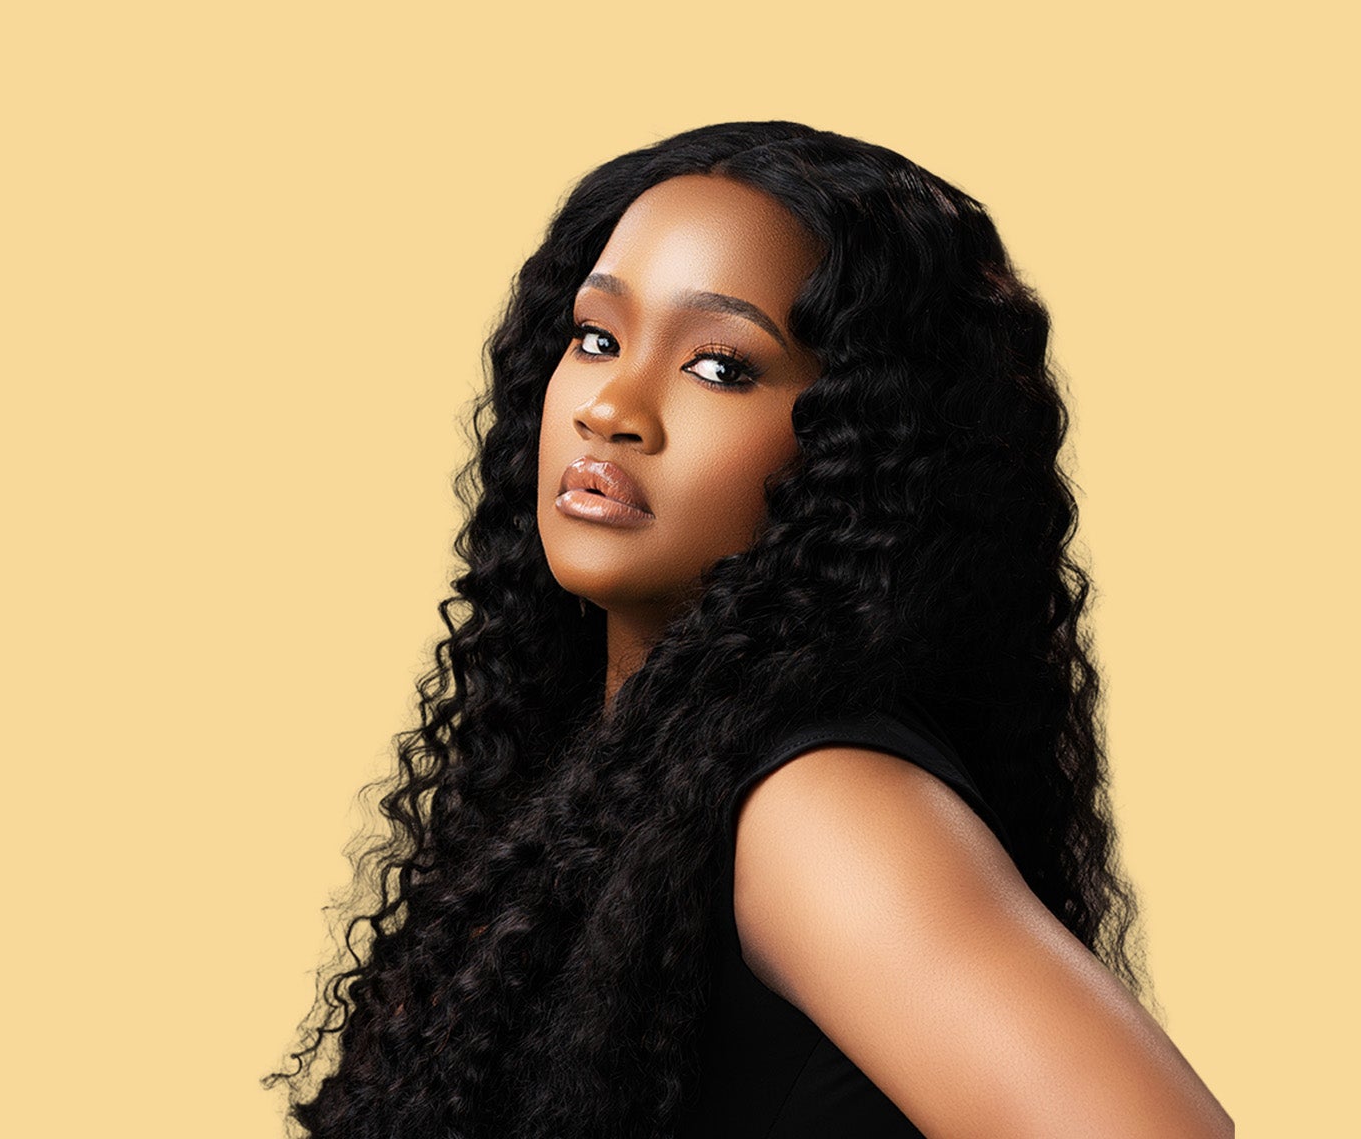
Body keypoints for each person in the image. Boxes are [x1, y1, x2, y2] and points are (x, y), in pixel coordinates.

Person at [263, 123, 1232, 1137]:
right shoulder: (602, 774)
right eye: (596, 336)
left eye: (720, 366)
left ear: (860, 455)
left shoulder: (820, 806)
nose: (611, 406)